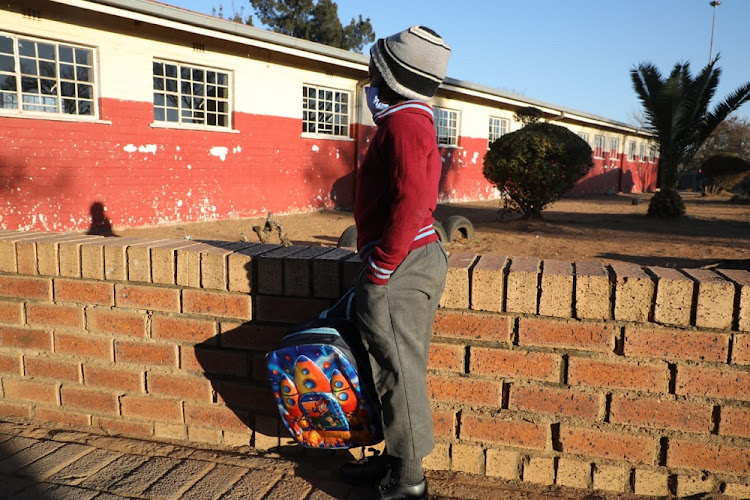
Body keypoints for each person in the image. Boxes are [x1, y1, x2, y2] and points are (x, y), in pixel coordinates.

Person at [341, 26, 451, 500]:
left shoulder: (404, 122)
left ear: (392, 76)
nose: (369, 75)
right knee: (395, 366)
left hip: (400, 264)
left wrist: (383, 266)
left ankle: (408, 479)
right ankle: (395, 459)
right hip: (410, 258)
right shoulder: (411, 119)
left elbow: (413, 200)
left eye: (375, 67)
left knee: (398, 372)